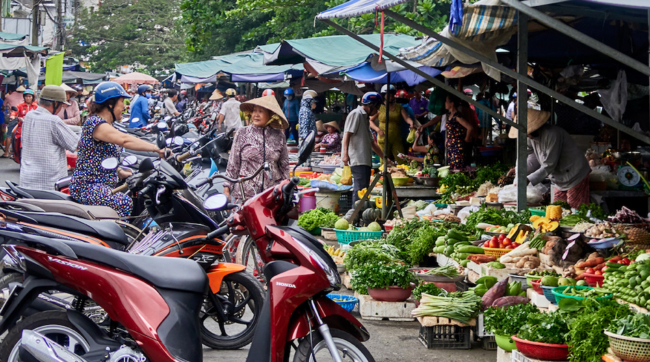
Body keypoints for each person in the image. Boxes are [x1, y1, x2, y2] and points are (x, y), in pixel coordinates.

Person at [70, 82, 167, 217]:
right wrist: (157, 149)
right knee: (125, 203)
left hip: (101, 185)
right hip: (87, 187)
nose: (124, 106)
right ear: (110, 103)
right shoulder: (96, 123)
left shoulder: (105, 124)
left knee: (136, 197)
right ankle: (124, 237)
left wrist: (119, 171)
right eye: (122, 102)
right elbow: (125, 140)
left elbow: (98, 158)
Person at [509, 109, 591, 209]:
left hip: (575, 175)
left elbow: (549, 165)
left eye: (528, 133)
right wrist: (519, 174)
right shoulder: (530, 138)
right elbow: (526, 155)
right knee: (556, 210)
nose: (527, 136)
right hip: (559, 179)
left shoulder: (552, 134)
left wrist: (528, 179)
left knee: (574, 211)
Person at [223, 95, 289, 201]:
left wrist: (286, 190)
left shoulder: (279, 136)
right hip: (246, 195)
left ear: (270, 115)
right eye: (254, 111)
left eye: (261, 111)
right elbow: (233, 164)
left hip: (271, 195)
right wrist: (227, 189)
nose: (256, 115)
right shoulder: (242, 133)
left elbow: (284, 167)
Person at [20, 85, 79, 190]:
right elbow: (76, 144)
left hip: (26, 182)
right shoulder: (54, 121)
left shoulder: (29, 116)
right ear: (55, 103)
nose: (61, 109)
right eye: (61, 105)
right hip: (49, 185)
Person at [342, 92, 389, 203]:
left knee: (364, 191)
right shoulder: (356, 114)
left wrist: (386, 158)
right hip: (358, 160)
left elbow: (373, 144)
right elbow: (346, 134)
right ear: (371, 105)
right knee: (360, 191)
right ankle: (355, 217)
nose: (377, 111)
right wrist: (345, 154)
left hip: (365, 161)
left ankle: (358, 215)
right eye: (377, 107)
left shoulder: (365, 118)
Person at [370, 85, 415, 164]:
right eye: (389, 95)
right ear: (384, 95)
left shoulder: (399, 107)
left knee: (401, 159)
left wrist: (411, 122)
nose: (391, 96)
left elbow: (407, 118)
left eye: (392, 94)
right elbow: (370, 121)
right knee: (384, 161)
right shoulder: (379, 107)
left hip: (396, 138)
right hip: (383, 138)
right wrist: (378, 129)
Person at [3, 89, 38, 159]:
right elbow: (15, 112)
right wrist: (12, 116)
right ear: (24, 97)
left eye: (29, 96)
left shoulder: (35, 106)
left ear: (32, 97)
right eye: (26, 96)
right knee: (13, 133)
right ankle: (13, 150)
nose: (28, 98)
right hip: (21, 125)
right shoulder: (20, 105)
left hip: (33, 126)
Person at [445, 94, 477, 169]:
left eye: (446, 101)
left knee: (458, 168)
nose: (445, 103)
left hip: (457, 147)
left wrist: (467, 138)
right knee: (452, 168)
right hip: (451, 146)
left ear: (452, 103)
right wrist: (447, 140)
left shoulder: (457, 116)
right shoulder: (450, 115)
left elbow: (470, 127)